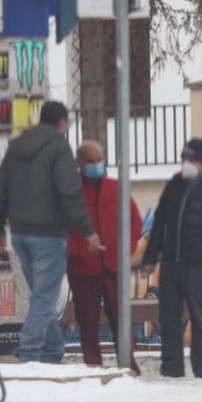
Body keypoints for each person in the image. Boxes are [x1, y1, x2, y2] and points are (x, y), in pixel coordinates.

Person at [0, 100, 100, 364]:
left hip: (20, 235)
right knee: (44, 295)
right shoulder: (58, 147)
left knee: (41, 294)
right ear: (62, 123)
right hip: (49, 236)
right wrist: (87, 230)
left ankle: (52, 351)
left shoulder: (16, 148)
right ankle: (28, 351)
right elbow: (69, 191)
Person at [141, 138, 202, 378]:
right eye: (184, 159)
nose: (187, 164)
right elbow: (160, 222)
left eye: (192, 160)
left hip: (200, 266)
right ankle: (171, 369)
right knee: (169, 320)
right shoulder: (175, 185)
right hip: (171, 265)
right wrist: (150, 258)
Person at [67, 140, 142, 370]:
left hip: (113, 267)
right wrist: (78, 251)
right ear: (80, 164)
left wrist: (124, 251)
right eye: (90, 161)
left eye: (99, 160)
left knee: (121, 318)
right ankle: (93, 366)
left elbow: (135, 221)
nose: (96, 165)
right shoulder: (71, 192)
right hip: (83, 269)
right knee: (88, 321)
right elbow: (62, 228)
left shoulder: (116, 187)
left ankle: (128, 365)